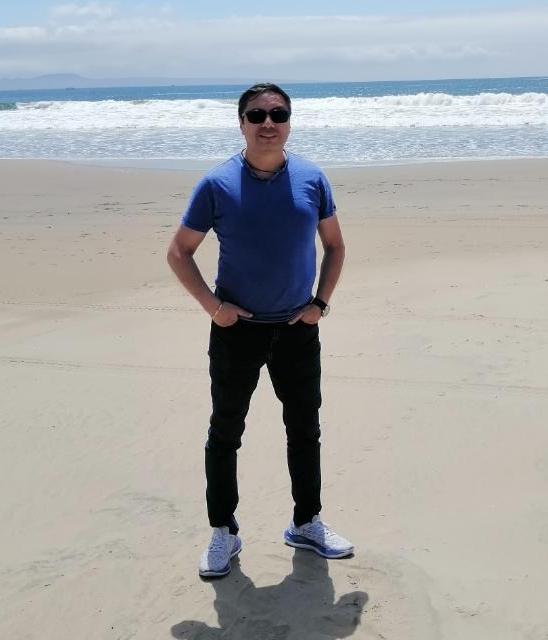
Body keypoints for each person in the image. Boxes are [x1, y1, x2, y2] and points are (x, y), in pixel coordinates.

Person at [167, 83, 353, 578]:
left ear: (289, 121)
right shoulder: (217, 184)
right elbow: (179, 251)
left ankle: (306, 522)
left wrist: (319, 304)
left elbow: (335, 246)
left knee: (305, 430)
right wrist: (213, 307)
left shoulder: (312, 178)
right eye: (256, 115)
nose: (268, 123)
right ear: (241, 123)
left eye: (278, 114)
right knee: (225, 432)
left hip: (296, 329)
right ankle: (223, 532)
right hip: (237, 331)